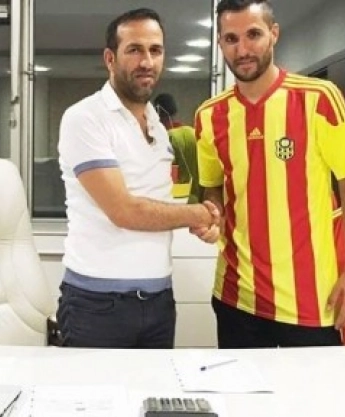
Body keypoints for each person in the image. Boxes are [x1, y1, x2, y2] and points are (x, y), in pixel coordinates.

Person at [195, 0, 345, 348]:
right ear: (220, 44)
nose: (242, 49)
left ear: (273, 34)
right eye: (231, 39)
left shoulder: (320, 98)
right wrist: (211, 215)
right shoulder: (209, 116)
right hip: (236, 297)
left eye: (253, 34)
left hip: (309, 302)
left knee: (314, 386)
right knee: (239, 386)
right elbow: (213, 187)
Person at [57, 8, 220, 348]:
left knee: (156, 386)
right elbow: (124, 211)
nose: (147, 61)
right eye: (134, 50)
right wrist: (196, 214)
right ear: (110, 58)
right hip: (97, 306)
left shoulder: (156, 124)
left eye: (155, 50)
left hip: (159, 300)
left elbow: (155, 198)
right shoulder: (85, 118)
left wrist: (205, 222)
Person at [153, 93, 201, 203]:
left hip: (179, 200)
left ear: (157, 113)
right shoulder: (193, 132)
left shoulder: (168, 139)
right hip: (200, 199)